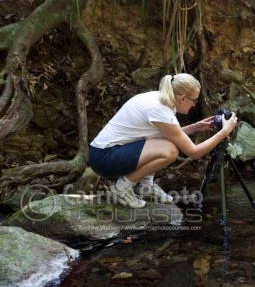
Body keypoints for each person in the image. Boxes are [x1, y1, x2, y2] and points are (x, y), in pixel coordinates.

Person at [88, 73, 238, 208]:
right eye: (194, 100)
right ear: (183, 98)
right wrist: (224, 131)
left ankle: (145, 186)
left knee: (168, 144)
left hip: (106, 153)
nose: (194, 104)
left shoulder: (161, 99)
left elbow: (168, 134)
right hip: (104, 157)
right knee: (170, 151)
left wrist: (195, 127)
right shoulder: (161, 111)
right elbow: (194, 152)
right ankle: (121, 188)